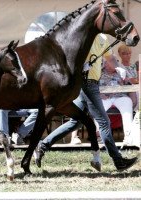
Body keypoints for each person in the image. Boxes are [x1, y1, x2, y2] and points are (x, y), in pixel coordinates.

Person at [36, 34, 138, 172]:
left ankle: (43, 145)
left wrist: (119, 67)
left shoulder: (102, 38)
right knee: (104, 122)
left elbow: (110, 57)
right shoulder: (83, 36)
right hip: (87, 84)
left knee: (75, 122)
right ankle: (118, 160)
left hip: (92, 84)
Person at [100, 55, 134, 146]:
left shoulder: (121, 71)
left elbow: (130, 84)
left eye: (116, 62)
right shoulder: (98, 72)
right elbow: (92, 86)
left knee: (127, 102)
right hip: (104, 97)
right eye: (113, 62)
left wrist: (125, 81)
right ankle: (100, 136)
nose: (116, 65)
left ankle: (128, 136)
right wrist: (99, 94)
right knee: (98, 107)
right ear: (106, 64)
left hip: (120, 96)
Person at [117, 44, 139, 110]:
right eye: (125, 54)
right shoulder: (119, 67)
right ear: (120, 55)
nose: (128, 56)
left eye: (129, 53)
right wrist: (135, 80)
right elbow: (130, 80)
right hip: (126, 90)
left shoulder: (134, 66)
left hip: (136, 88)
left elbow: (137, 79)